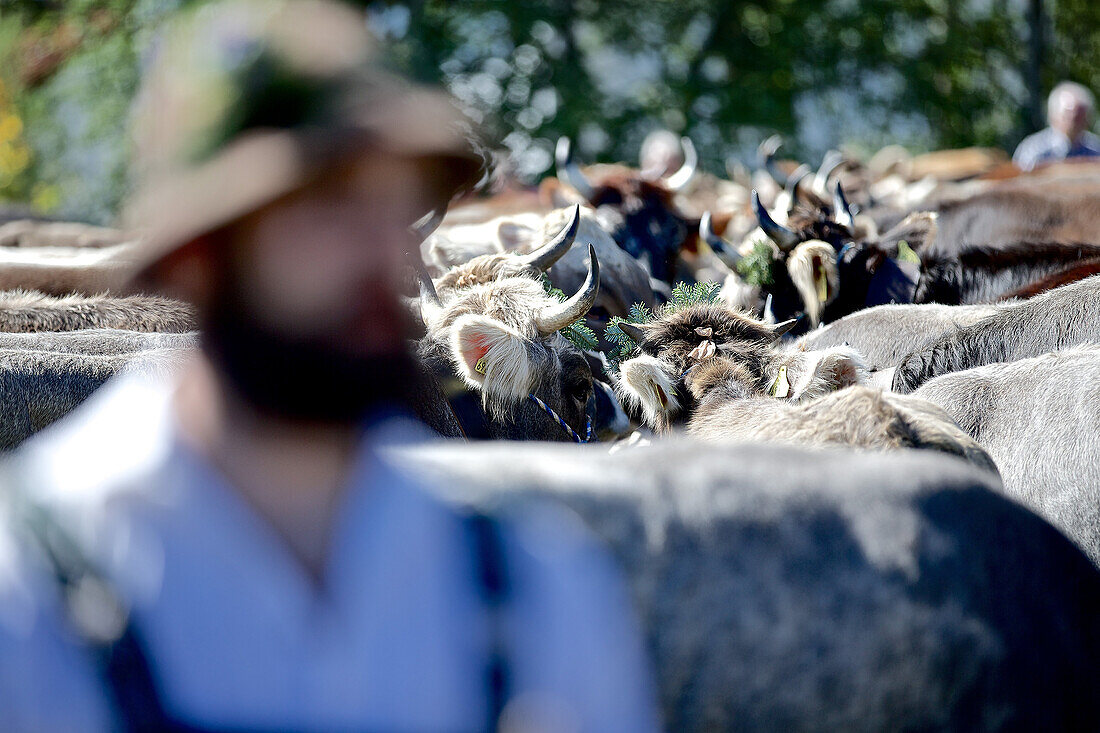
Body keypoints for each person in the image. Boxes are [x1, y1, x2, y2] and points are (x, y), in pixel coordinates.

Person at [0, 1, 659, 730]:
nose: (387, 257)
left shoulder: (533, 582)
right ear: (198, 252)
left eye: (398, 204)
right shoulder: (30, 589)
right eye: (327, 206)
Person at [1013, 81, 1100, 171]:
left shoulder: (1096, 149)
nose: (1075, 122)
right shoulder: (1034, 150)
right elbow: (1019, 180)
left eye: (1081, 116)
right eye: (1070, 116)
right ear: (1053, 115)